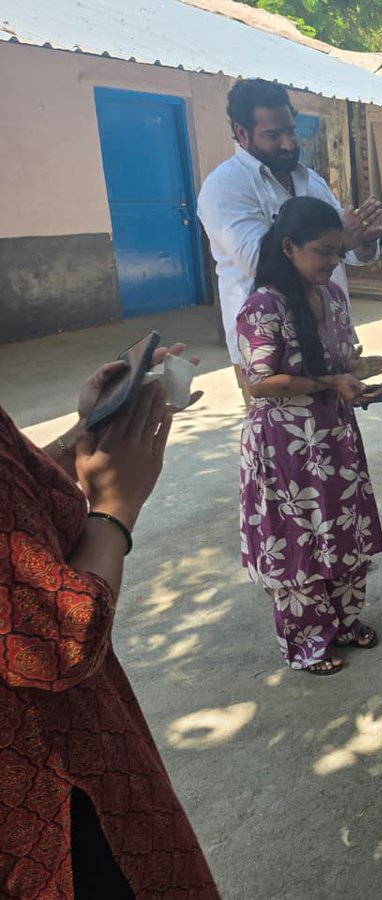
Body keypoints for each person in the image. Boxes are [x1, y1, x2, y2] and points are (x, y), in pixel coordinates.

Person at [1, 353, 218, 896]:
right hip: (46, 775)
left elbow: (16, 498)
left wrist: (87, 432)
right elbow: (60, 639)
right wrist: (116, 507)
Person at [238, 197, 382, 675]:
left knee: (342, 529)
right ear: (289, 247)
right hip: (285, 446)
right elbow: (260, 382)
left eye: (338, 252)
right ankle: (306, 644)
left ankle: (344, 621)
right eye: (323, 251)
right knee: (298, 540)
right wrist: (331, 382)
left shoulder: (334, 296)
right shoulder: (263, 306)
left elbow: (335, 360)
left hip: (334, 436)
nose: (333, 262)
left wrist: (354, 371)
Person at [198, 77, 382, 402]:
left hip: (326, 335)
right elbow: (258, 263)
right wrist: (342, 243)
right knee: (284, 431)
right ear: (242, 133)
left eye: (290, 131)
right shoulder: (225, 186)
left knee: (333, 425)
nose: (288, 144)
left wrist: (363, 239)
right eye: (273, 135)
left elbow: (348, 253)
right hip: (270, 349)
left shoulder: (310, 180)